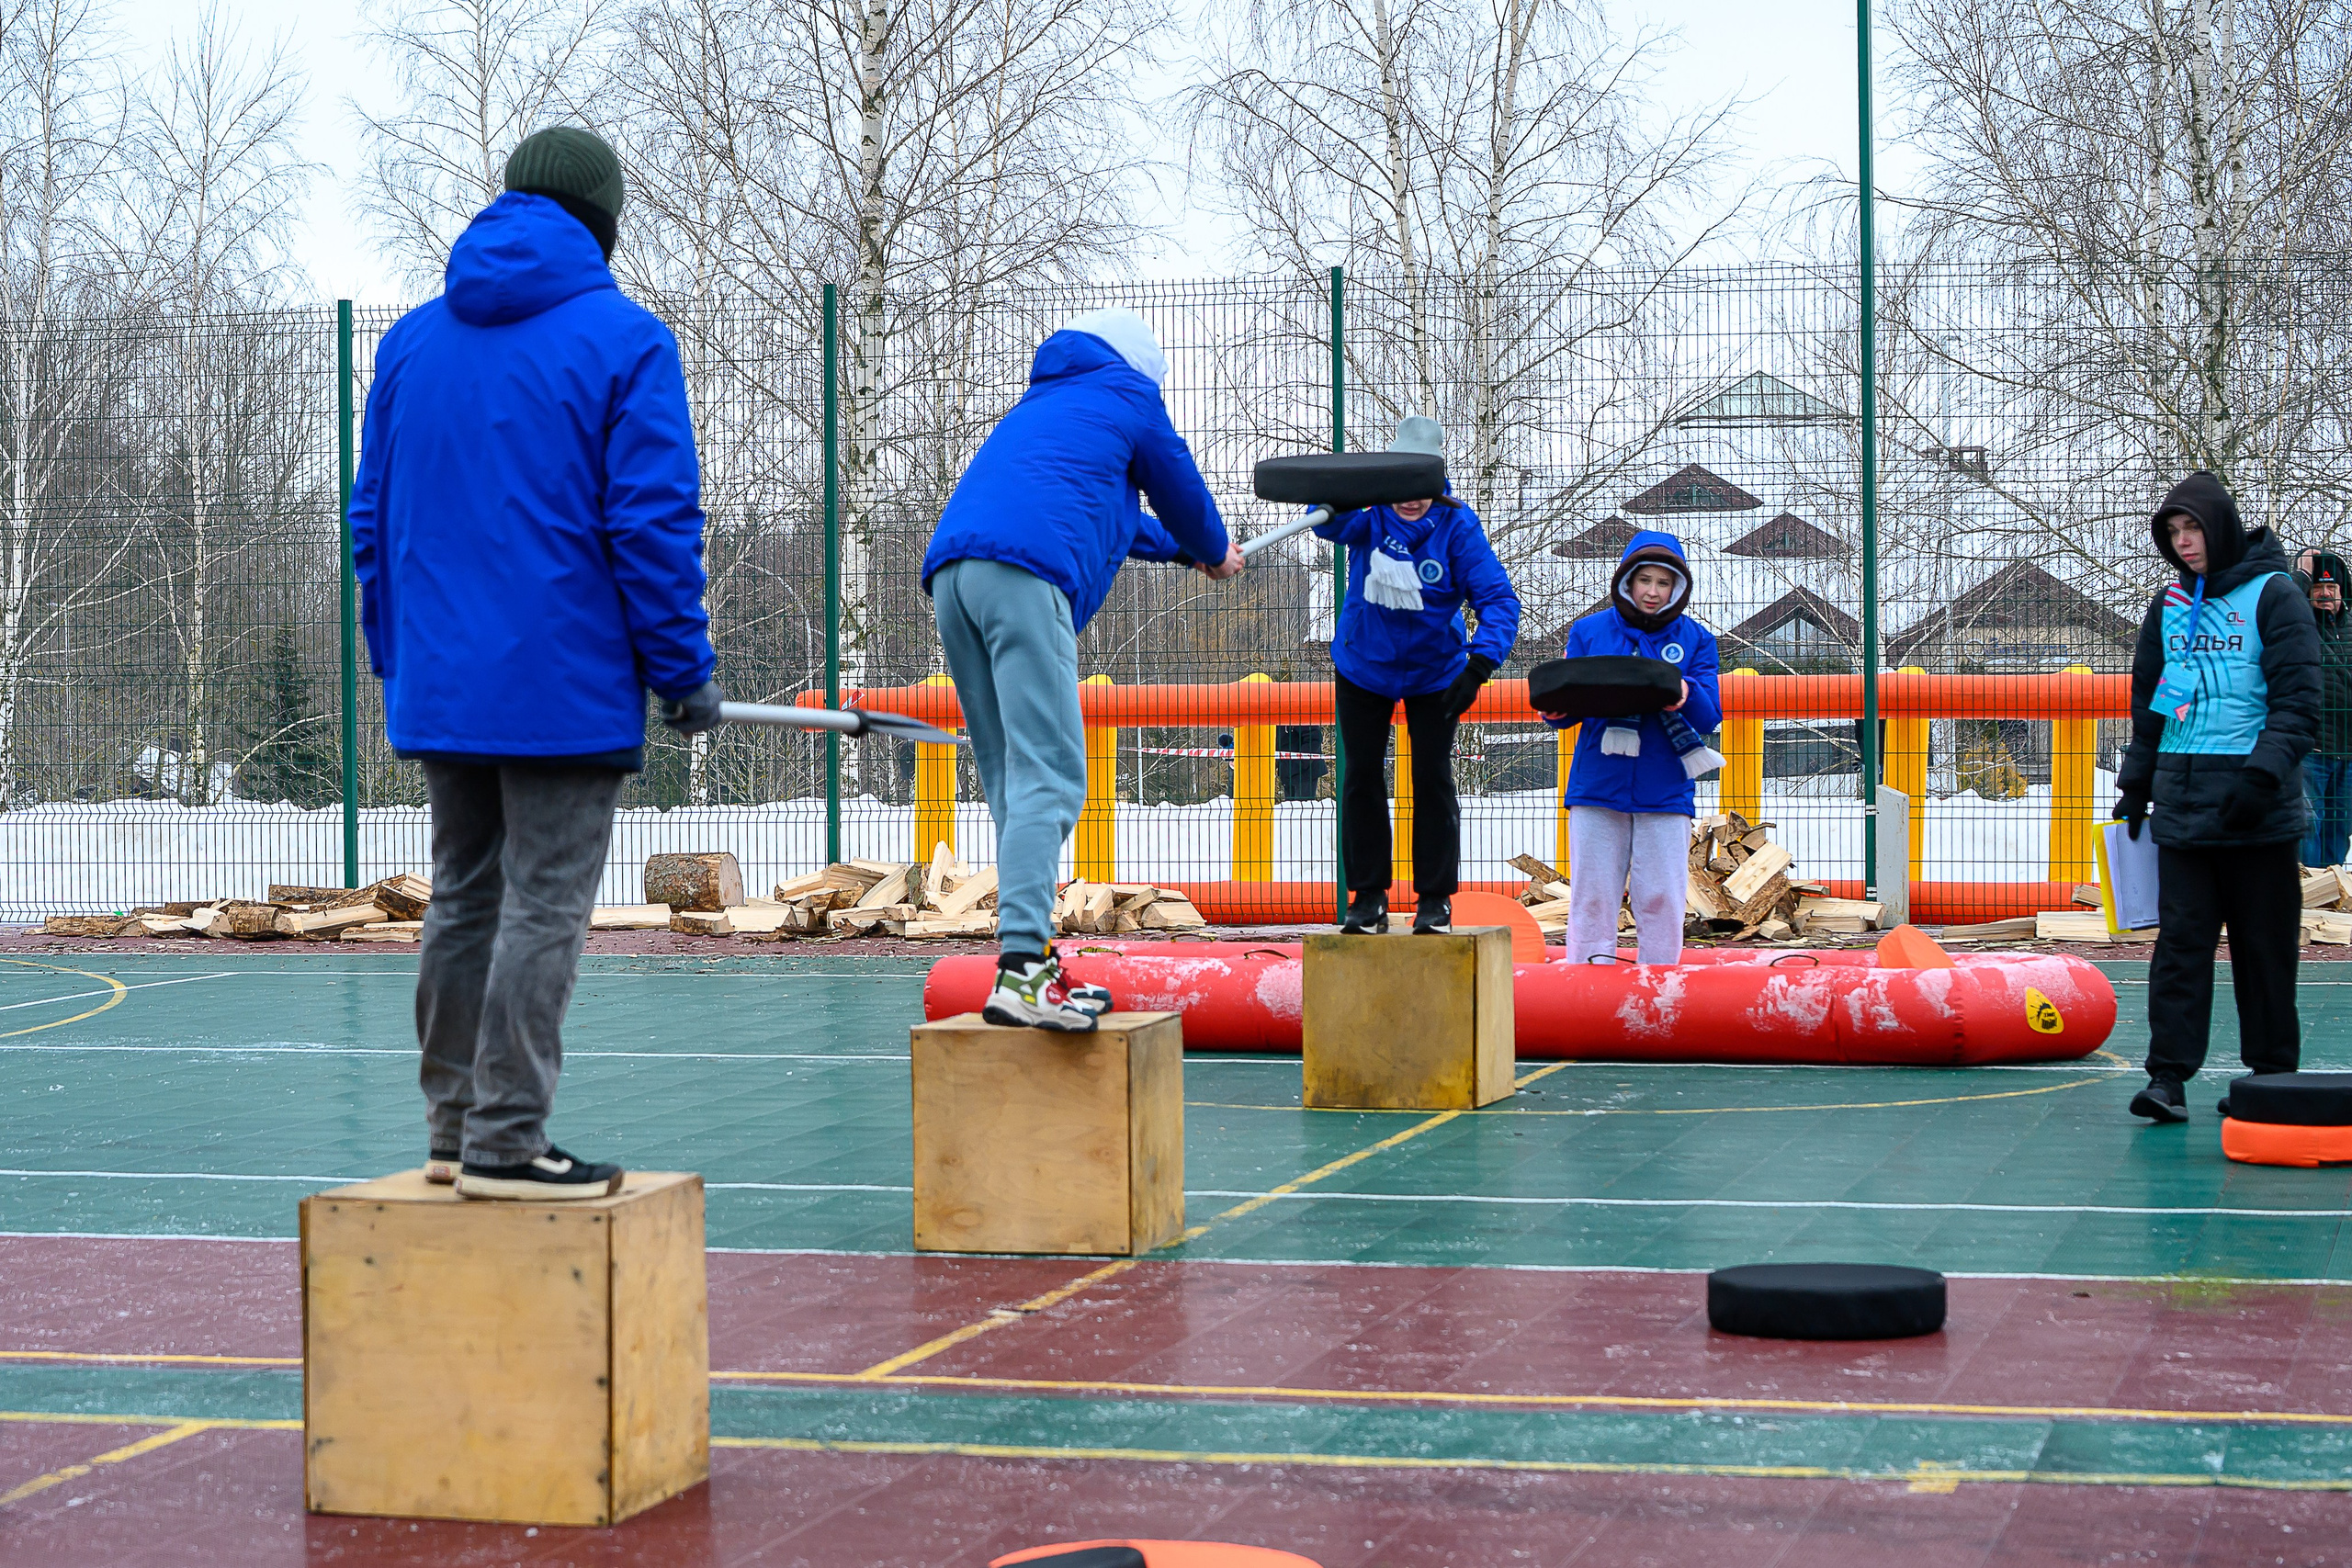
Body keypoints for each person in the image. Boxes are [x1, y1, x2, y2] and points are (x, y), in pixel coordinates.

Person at [349, 127, 722, 1200]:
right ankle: (507, 1143)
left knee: (465, 895)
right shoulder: (627, 341)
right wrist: (680, 666)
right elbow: (650, 523)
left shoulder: (412, 343)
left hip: (442, 679)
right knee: (543, 903)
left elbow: (369, 519)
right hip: (563, 685)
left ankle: (453, 1130)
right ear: (603, 221)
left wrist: (397, 659)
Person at [922, 309, 1241, 1032]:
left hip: (955, 577)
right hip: (1026, 579)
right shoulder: (1133, 397)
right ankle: (1022, 971)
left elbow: (1123, 521)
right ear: (1143, 370)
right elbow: (1180, 488)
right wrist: (1216, 545)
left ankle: (1027, 962)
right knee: (1056, 777)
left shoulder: (1048, 406)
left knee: (1012, 779)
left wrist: (1189, 553)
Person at [2114, 471, 2318, 1123]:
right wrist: (2136, 787)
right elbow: (2154, 704)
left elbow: (2298, 702)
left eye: (2192, 528)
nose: (2183, 543)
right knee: (2180, 948)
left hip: (2259, 812)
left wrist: (2261, 778)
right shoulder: (2170, 605)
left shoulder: (2276, 595)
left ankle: (2272, 1078)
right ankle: (2168, 1078)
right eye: (2172, 533)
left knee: (2265, 950)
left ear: (2220, 525)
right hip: (2184, 809)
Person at [1314, 416, 1521, 935]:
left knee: (1431, 778)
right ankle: (1367, 897)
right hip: (1364, 666)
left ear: (1439, 478)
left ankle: (1435, 901)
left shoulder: (1457, 526)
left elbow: (1498, 600)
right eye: (1401, 483)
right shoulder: (1372, 518)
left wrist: (1479, 665)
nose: (1412, 497)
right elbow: (1329, 523)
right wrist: (1336, 495)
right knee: (1361, 777)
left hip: (1437, 674)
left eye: (1422, 484)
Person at [1537, 531, 1722, 964]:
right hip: (1598, 783)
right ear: (1627, 582)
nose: (1653, 592)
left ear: (1678, 588)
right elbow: (1565, 712)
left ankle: (1659, 986)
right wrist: (1554, 705)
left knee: (1661, 895)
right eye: (1645, 581)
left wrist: (1683, 691)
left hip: (1665, 787)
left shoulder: (1696, 640)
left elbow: (1707, 715)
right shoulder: (1588, 631)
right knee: (1593, 894)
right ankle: (1587, 985)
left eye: (1664, 583)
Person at [2294, 547, 2352, 869]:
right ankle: (2310, 893)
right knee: (2307, 826)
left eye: (2332, 587)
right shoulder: (2296, 623)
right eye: (2318, 588)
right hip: (2311, 749)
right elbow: (2284, 597)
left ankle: (2331, 894)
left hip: (2349, 752)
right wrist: (2301, 572)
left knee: (2339, 830)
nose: (2326, 594)